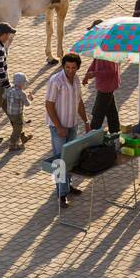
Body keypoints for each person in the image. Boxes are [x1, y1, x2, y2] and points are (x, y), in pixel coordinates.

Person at [48, 53, 90, 206]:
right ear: (63, 66)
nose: (71, 70)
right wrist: (58, 126)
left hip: (72, 125)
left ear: (78, 67)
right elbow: (49, 105)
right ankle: (61, 194)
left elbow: (79, 102)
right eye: (68, 67)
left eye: (74, 68)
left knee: (71, 159)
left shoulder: (77, 79)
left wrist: (86, 120)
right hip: (58, 127)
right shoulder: (56, 81)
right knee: (60, 161)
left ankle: (67, 186)